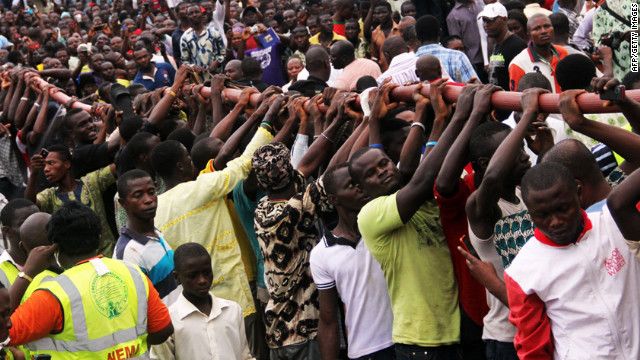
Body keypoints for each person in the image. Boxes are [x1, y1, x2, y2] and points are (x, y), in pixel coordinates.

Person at [350, 81, 460, 359]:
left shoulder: (412, 196)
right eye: (373, 173)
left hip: (455, 333)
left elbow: (411, 167)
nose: (384, 171)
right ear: (362, 190)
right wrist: (453, 119)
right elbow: (420, 177)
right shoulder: (372, 214)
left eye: (385, 163)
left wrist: (431, 116)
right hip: (419, 343)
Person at [0, 202, 174, 359]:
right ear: (99, 237)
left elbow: (4, 334)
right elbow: (163, 329)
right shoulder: (132, 272)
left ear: (55, 247)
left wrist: (27, 273)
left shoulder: (53, 294)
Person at [504, 161, 640, 359]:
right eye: (542, 215)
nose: (555, 221)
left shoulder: (615, 224)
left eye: (562, 209)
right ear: (530, 214)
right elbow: (533, 349)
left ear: (578, 193)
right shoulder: (522, 271)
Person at [310, 164, 395, 359]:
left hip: (406, 341)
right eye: (351, 185)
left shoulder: (384, 226)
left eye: (360, 182)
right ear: (333, 199)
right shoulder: (322, 254)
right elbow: (328, 320)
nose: (360, 187)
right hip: (364, 351)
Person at [150, 243, 254, 360]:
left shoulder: (232, 310)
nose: (202, 280)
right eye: (193, 275)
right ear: (177, 277)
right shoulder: (169, 320)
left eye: (206, 272)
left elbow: (244, 356)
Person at [25, 144, 118, 256]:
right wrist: (34, 174)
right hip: (76, 261)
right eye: (44, 165)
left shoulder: (90, 182)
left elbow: (118, 165)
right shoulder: (49, 196)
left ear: (67, 164)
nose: (46, 169)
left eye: (51, 163)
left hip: (108, 254)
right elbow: (29, 206)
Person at [114, 169, 178, 299]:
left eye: (151, 192)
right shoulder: (128, 253)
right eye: (138, 195)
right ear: (123, 203)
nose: (149, 200)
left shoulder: (156, 233)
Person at [508, 14, 569, 92]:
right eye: (537, 29)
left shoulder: (563, 52)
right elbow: (516, 98)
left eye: (547, 26)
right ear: (529, 34)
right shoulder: (518, 64)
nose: (543, 31)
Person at [479, 3, 527, 94]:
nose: (486, 25)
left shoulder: (517, 45)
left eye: (490, 20)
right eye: (484, 21)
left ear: (504, 19)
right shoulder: (497, 44)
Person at [415, 15, 478, 83]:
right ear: (440, 32)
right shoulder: (457, 56)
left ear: (417, 37)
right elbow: (476, 86)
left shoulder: (411, 62)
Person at [0, 199, 38, 288]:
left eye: (37, 220)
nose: (35, 227)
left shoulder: (57, 260)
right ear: (6, 231)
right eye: (25, 223)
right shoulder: (1, 268)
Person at [180, 3, 226, 74]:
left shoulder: (214, 32)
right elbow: (184, 61)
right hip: (198, 79)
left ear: (202, 14)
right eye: (191, 13)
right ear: (187, 16)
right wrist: (193, 67)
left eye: (197, 12)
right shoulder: (185, 37)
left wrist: (217, 62)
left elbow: (223, 53)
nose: (194, 15)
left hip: (217, 75)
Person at [447, 0, 485, 82]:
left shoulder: (481, 4)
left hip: (490, 57)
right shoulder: (453, 16)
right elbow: (456, 42)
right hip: (473, 61)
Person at [370, 2, 401, 67]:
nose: (380, 15)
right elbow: (374, 56)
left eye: (384, 12)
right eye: (378, 13)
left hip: (400, 67)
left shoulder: (400, 29)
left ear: (390, 12)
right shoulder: (374, 33)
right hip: (384, 72)